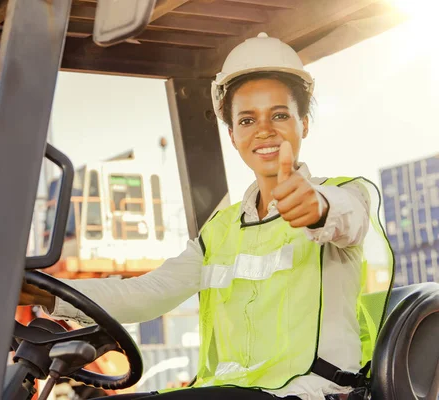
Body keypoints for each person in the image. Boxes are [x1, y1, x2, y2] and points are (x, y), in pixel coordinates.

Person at [20, 32, 392, 400]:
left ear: (304, 124)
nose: (263, 129)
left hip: (311, 392)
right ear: (232, 134)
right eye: (247, 120)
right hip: (231, 391)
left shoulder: (344, 193)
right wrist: (49, 296)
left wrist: (317, 208)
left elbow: (347, 218)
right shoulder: (219, 231)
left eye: (279, 115)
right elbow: (146, 293)